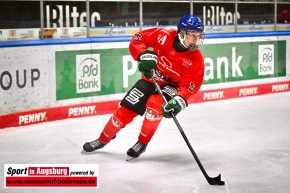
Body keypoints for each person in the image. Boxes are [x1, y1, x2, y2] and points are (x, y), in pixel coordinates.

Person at [83, 14, 205, 161]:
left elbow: (191, 83)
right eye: (192, 35)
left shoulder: (196, 58)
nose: (195, 39)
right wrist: (143, 55)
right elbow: (139, 38)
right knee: (126, 109)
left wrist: (180, 99)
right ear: (181, 33)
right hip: (151, 78)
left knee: (155, 106)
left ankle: (142, 142)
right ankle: (103, 139)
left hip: (172, 86)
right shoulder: (164, 35)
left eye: (198, 36)